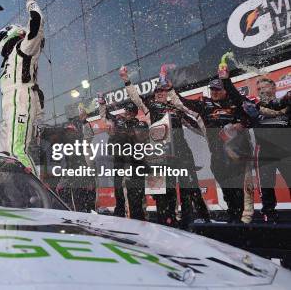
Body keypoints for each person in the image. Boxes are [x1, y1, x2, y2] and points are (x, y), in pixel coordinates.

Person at [120, 66, 210, 227]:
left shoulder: (176, 108)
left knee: (189, 190)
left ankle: (192, 222)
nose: (159, 93)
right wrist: (126, 80)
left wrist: (210, 135)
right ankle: (167, 223)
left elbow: (195, 126)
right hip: (159, 157)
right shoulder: (150, 108)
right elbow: (136, 98)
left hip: (182, 155)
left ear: (167, 93)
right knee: (163, 194)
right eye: (157, 92)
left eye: (162, 91)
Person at [169, 73, 254, 223]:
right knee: (228, 190)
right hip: (218, 156)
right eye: (212, 89)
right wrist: (170, 88)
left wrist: (240, 125)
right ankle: (234, 216)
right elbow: (181, 102)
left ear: (225, 90)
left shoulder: (235, 102)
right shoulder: (204, 105)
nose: (214, 92)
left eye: (218, 89)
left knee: (240, 191)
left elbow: (252, 115)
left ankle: (243, 220)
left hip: (237, 154)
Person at [0, 0, 44, 173]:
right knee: (6, 156)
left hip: (21, 101)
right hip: (10, 107)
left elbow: (37, 24)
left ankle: (39, 198)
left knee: (17, 150)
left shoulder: (23, 48)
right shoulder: (7, 62)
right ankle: (10, 196)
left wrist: (31, 2)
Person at [234, 77, 290, 222]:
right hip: (264, 151)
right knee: (266, 186)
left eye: (264, 87)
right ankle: (269, 215)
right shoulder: (254, 107)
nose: (261, 91)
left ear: (273, 87)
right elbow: (236, 97)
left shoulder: (285, 104)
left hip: (286, 149)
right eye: (258, 89)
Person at [98, 95, 145, 220]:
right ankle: (120, 217)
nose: (128, 113)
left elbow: (141, 141)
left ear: (135, 113)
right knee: (119, 193)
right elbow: (104, 115)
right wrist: (102, 103)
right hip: (118, 163)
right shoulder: (119, 121)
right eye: (127, 110)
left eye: (131, 111)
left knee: (135, 196)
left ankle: (137, 219)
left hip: (133, 164)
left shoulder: (139, 124)